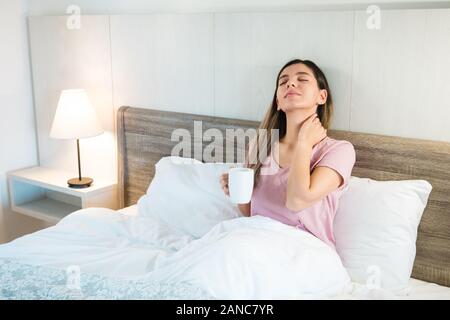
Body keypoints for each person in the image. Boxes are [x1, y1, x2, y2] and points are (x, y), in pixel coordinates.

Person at [220, 58, 356, 249]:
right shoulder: (260, 145)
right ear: (278, 101)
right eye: (283, 82)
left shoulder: (339, 150)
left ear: (322, 96)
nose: (291, 83)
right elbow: (251, 212)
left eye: (302, 79)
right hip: (256, 241)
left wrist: (303, 144)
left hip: (304, 250)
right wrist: (236, 191)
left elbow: (296, 201)